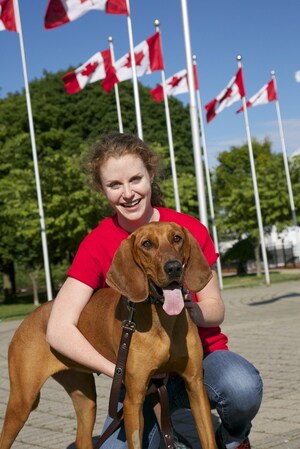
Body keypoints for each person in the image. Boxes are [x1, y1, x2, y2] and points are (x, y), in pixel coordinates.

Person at [46, 132, 263, 449]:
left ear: (150, 176)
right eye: (115, 185)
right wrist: (119, 371)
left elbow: (216, 307)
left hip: (200, 358)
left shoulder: (185, 229)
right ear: (102, 189)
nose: (128, 193)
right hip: (139, 371)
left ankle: (232, 440)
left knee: (242, 387)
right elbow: (58, 328)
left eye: (136, 179)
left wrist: (186, 305)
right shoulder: (96, 243)